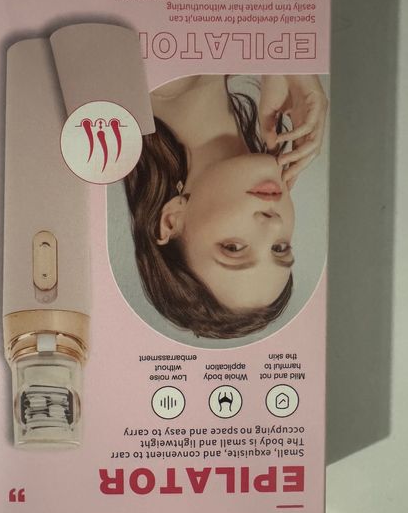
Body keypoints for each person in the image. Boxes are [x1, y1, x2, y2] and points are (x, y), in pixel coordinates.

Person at [124, 74, 327, 339]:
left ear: (172, 220)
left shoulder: (153, 76)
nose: (274, 224)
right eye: (279, 248)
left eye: (233, 248)